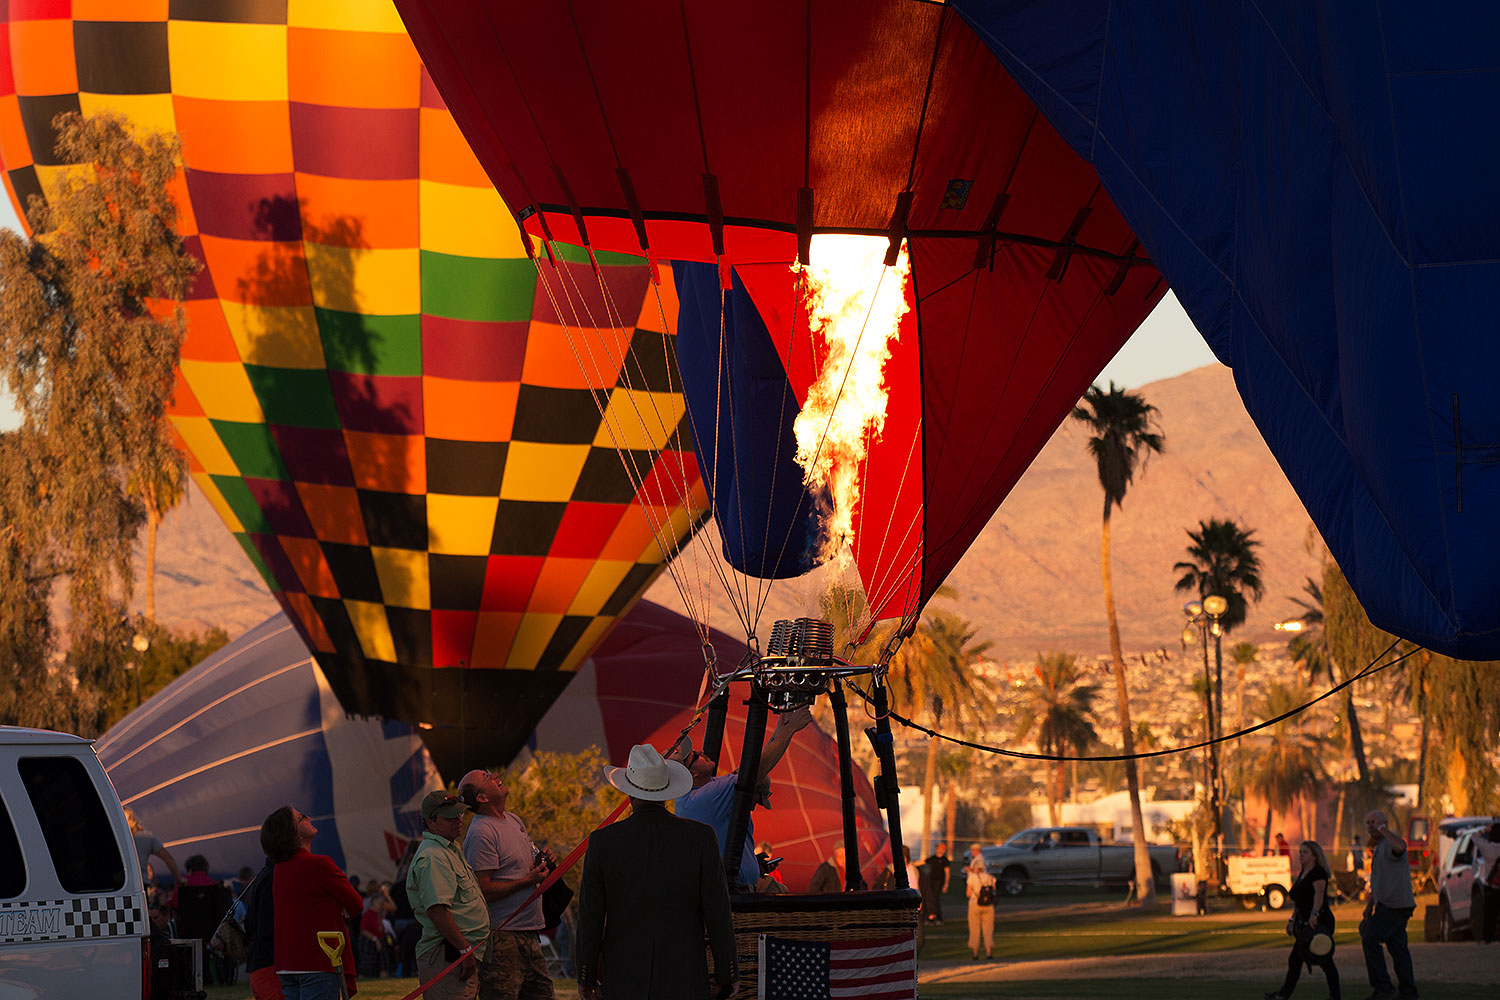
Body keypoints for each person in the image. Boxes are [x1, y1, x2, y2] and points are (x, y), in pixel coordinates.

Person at [576, 744, 735, 1000]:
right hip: (685, 977)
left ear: (628, 793)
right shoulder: (701, 838)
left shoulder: (603, 842)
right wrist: (727, 975)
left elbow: (591, 918)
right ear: (666, 792)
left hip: (623, 976)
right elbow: (718, 913)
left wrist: (586, 974)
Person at [670, 705, 813, 888]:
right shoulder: (701, 799)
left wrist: (780, 729)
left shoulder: (707, 789)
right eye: (696, 756)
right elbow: (754, 771)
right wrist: (790, 730)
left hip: (744, 886)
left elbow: (747, 770)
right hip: (735, 895)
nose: (702, 752)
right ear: (691, 775)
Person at [457, 768, 557, 1000]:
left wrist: (541, 862)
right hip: (503, 938)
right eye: (487, 776)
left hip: (530, 932)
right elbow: (482, 889)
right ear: (482, 798)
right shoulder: (482, 832)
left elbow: (516, 868)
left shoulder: (513, 820)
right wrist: (527, 881)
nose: (494, 776)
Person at [268, 805, 363, 1000]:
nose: (308, 817)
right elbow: (356, 904)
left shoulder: (279, 869)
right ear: (294, 832)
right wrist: (339, 907)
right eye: (302, 817)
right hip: (317, 961)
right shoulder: (320, 865)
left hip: (287, 964)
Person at [408, 790, 492, 1000]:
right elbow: (437, 911)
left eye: (460, 815)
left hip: (455, 954)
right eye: (450, 817)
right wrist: (464, 950)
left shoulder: (449, 849)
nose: (458, 821)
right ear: (431, 822)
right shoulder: (434, 856)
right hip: (448, 955)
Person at [1262, 839, 1340, 1000]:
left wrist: (1314, 914)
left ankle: (1285, 995)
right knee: (1301, 960)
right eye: (1300, 852)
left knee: (1321, 960)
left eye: (1305, 852)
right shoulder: (1303, 873)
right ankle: (1285, 994)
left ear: (1314, 855)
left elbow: (1319, 895)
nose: (1301, 855)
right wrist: (1292, 920)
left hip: (1318, 922)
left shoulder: (1318, 873)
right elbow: (1299, 903)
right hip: (1304, 922)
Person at [1359, 809, 1417, 1000]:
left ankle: (1383, 988)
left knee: (1369, 937)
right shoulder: (1380, 848)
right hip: (1387, 905)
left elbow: (1401, 846)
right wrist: (1369, 906)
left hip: (1396, 905)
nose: (1370, 826)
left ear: (1384, 823)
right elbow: (1378, 881)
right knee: (1398, 949)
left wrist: (1383, 829)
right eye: (1368, 823)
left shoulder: (1390, 842)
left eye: (1373, 822)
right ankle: (1408, 992)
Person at [241, 819, 280, 1000]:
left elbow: (250, 925)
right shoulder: (274, 877)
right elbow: (265, 928)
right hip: (271, 966)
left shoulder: (262, 876)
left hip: (260, 964)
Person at [126, 806, 181, 891]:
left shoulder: (114, 838)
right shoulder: (147, 837)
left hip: (119, 885)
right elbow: (168, 859)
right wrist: (179, 880)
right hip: (140, 885)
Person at [966, 852, 997, 962]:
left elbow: (968, 894)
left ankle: (975, 954)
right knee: (988, 929)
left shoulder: (972, 878)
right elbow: (994, 891)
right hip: (989, 906)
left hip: (975, 904)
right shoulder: (990, 877)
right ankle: (988, 952)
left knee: (974, 929)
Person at [1472, 822, 1500, 945]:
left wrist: (1485, 829)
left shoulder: (1487, 848)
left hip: (1491, 886)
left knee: (1489, 914)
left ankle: (1487, 937)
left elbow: (1474, 837)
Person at [921, 842, 952, 924]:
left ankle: (937, 917)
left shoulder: (945, 860)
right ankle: (930, 918)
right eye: (937, 848)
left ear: (944, 850)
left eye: (940, 848)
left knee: (935, 898)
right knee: (929, 898)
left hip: (939, 881)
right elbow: (923, 862)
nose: (938, 849)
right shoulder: (933, 858)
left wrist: (946, 884)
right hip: (931, 880)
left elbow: (947, 873)